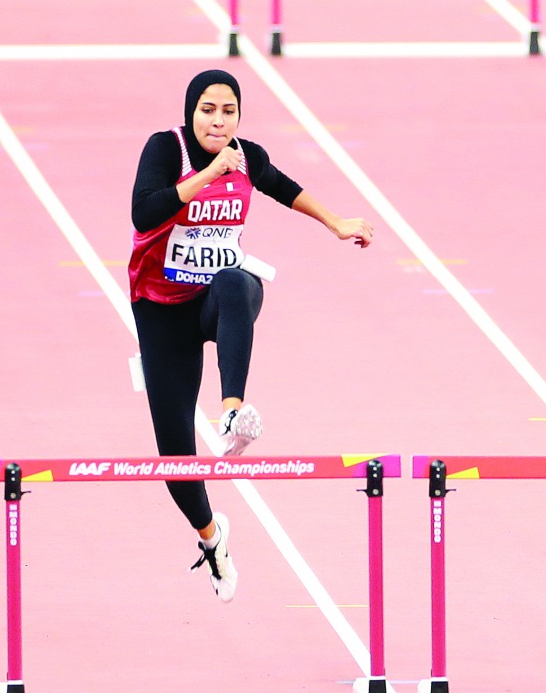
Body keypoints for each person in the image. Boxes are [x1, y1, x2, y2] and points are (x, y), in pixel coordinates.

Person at [128, 69, 372, 603]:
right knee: (175, 462)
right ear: (192, 113)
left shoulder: (247, 155)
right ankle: (212, 539)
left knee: (237, 280)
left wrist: (335, 222)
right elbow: (144, 211)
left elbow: (284, 187)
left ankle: (233, 409)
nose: (219, 120)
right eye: (209, 110)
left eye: (229, 111)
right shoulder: (166, 149)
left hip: (215, 301)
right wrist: (210, 171)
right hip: (162, 311)